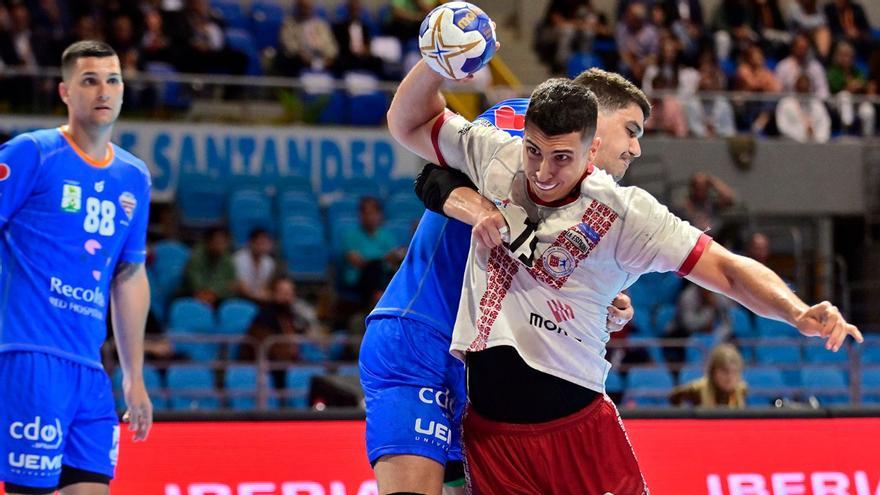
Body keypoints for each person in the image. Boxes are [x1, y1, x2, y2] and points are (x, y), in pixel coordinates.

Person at [387, 53, 862, 493]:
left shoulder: (627, 212)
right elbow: (411, 125)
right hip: (495, 439)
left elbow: (727, 269)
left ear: (590, 150)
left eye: (562, 158)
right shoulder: (496, 156)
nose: (544, 172)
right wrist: (433, 62)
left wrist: (798, 312)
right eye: (534, 152)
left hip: (578, 433)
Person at [359, 69, 641, 495]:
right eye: (631, 130)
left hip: (483, 372)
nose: (636, 148)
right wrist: (489, 216)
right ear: (596, 115)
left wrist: (604, 301)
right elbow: (433, 177)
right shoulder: (525, 123)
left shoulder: (593, 199)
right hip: (421, 334)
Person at [0, 40, 152, 495]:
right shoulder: (33, 152)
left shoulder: (134, 176)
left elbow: (130, 274)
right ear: (64, 91)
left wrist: (134, 376)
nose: (102, 90)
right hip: (30, 356)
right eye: (89, 80)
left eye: (112, 80)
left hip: (90, 369)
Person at [669, 343, 747, 407]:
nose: (730, 377)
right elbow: (673, 397)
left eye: (735, 372)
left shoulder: (742, 389)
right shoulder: (697, 388)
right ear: (713, 372)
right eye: (725, 371)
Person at [182, 226, 236, 306]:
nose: (221, 246)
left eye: (223, 242)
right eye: (217, 242)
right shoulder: (196, 257)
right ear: (208, 242)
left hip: (217, 298)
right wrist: (212, 293)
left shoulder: (226, 258)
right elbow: (196, 286)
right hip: (192, 296)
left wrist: (214, 294)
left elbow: (232, 284)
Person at [232, 228, 277, 303]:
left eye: (266, 244)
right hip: (239, 297)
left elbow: (265, 286)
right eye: (260, 243)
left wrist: (265, 295)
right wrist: (258, 296)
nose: (263, 247)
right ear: (251, 243)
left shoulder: (269, 262)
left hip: (258, 297)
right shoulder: (238, 259)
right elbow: (241, 286)